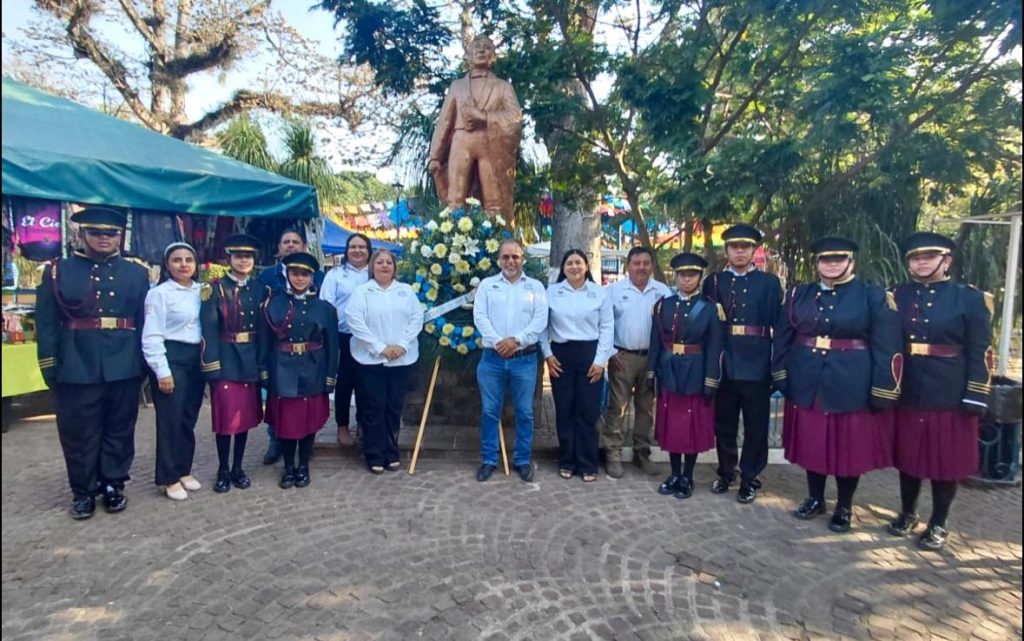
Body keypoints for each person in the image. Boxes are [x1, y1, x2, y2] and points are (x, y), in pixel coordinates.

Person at [772, 237, 902, 533]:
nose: (831, 264)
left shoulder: (872, 296)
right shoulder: (799, 295)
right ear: (816, 263)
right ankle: (815, 498)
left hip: (851, 382)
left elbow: (887, 346)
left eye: (838, 259)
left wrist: (884, 389)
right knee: (813, 444)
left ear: (851, 261)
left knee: (848, 450)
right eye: (824, 259)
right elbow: (783, 336)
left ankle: (844, 506)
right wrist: (780, 373)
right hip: (808, 379)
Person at [35, 207, 150, 519]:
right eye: (96, 232)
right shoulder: (57, 271)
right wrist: (50, 364)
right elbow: (46, 323)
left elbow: (144, 322)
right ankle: (83, 491)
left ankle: (113, 483)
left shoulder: (137, 273)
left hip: (124, 362)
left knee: (119, 428)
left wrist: (143, 363)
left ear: (119, 236)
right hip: (77, 363)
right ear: (82, 234)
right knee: (79, 433)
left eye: (110, 233)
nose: (104, 238)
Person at [887, 232, 994, 550]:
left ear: (946, 261)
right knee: (908, 456)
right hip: (909, 387)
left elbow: (981, 350)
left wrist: (976, 392)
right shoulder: (898, 295)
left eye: (929, 257)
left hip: (950, 390)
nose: (921, 263)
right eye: (915, 258)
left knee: (945, 461)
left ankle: (938, 522)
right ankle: (908, 513)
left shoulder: (969, 298)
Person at [702, 224, 783, 504]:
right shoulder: (714, 282)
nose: (739, 252)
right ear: (726, 250)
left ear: (753, 251)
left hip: (757, 361)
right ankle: (727, 471)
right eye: (734, 247)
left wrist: (776, 366)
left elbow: (779, 326)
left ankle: (750, 476)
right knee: (724, 423)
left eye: (745, 247)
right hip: (724, 361)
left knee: (756, 425)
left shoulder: (769, 283)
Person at [648, 253, 725, 499]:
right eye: (682, 275)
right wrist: (651, 371)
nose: (686, 279)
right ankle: (674, 474)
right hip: (669, 370)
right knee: (672, 426)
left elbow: (715, 347)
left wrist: (711, 380)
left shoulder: (710, 309)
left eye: (692, 275)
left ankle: (687, 476)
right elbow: (656, 341)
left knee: (690, 427)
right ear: (675, 276)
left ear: (700, 277)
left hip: (696, 372)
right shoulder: (664, 305)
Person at [472, 238, 549, 482]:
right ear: (498, 260)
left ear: (522, 259)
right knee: (489, 411)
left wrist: (515, 341)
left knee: (524, 412)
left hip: (524, 360)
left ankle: (523, 460)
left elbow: (540, 320)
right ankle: (488, 460)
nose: (510, 261)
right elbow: (479, 317)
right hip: (492, 359)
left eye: (515, 256)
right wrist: (499, 342)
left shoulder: (536, 287)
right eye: (505, 257)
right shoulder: (487, 285)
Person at [262, 252, 339, 489]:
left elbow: (332, 345)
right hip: (282, 369)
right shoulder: (274, 303)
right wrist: (264, 372)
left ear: (312, 277)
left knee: (308, 422)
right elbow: (265, 342)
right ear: (287, 275)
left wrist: (330, 376)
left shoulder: (324, 308)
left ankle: (303, 466)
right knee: (286, 423)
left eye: (304, 274)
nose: (299, 279)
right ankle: (288, 468)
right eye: (295, 273)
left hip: (313, 369)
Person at [200, 234, 269, 493]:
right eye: (238, 256)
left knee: (244, 419)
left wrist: (262, 364)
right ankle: (222, 469)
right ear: (229, 258)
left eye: (248, 257)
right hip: (226, 359)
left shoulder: (260, 289)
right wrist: (211, 365)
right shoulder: (214, 289)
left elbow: (264, 331)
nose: (243, 261)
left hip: (250, 360)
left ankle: (238, 468)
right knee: (225, 421)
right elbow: (208, 330)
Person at [427, 34, 522, 218]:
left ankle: (497, 234)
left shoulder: (503, 87)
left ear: (493, 56)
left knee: (494, 200)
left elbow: (515, 116)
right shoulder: (457, 86)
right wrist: (435, 156)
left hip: (490, 144)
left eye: (486, 47)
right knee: (455, 199)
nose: (481, 50)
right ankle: (453, 234)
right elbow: (444, 121)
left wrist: (483, 117)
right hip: (461, 141)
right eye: (476, 47)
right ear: (468, 55)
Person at [346, 249, 423, 473]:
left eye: (389, 262)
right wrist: (380, 348)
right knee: (373, 408)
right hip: (370, 361)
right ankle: (374, 454)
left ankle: (391, 451)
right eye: (380, 262)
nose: (385, 266)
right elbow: (355, 321)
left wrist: (402, 345)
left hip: (401, 359)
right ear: (372, 266)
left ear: (394, 267)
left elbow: (417, 318)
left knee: (393, 407)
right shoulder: (362, 292)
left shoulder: (406, 291)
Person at [542, 249, 614, 483]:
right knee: (564, 410)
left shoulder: (599, 293)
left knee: (588, 411)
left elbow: (607, 327)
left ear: (586, 266)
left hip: (590, 355)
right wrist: (547, 355)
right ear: (563, 268)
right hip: (560, 355)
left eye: (579, 263)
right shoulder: (551, 293)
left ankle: (587, 463)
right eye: (570, 263)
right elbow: (542, 326)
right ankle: (567, 461)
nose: (574, 267)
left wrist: (600, 361)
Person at [142, 242, 205, 501]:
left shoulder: (202, 291)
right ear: (167, 265)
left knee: (188, 417)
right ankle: (167, 476)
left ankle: (183, 469)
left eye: (188, 259)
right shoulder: (159, 294)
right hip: (172, 357)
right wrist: (161, 371)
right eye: (177, 260)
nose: (183, 265)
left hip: (196, 359)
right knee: (170, 419)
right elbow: (151, 334)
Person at [257, 228, 324, 464]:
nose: (291, 245)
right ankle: (276, 443)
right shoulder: (267, 276)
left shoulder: (319, 276)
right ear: (279, 247)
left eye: (296, 242)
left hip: (308, 351)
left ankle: (305, 446)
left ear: (304, 246)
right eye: (286, 241)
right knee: (281, 403)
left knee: (306, 403)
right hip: (281, 351)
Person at [602, 247, 671, 478]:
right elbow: (605, 324)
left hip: (652, 358)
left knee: (645, 408)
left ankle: (641, 453)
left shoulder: (662, 291)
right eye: (636, 263)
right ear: (628, 266)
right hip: (622, 357)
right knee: (617, 407)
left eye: (645, 263)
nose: (641, 267)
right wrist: (611, 352)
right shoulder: (613, 291)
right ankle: (613, 454)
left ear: (652, 265)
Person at [319, 233, 372, 447]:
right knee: (344, 383)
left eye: (362, 247)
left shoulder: (375, 273)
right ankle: (342, 426)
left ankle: (363, 423)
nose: (357, 250)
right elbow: (326, 305)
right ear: (346, 250)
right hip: (342, 336)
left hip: (369, 339)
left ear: (369, 250)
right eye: (353, 247)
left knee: (366, 382)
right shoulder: (336, 275)